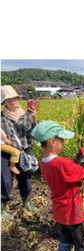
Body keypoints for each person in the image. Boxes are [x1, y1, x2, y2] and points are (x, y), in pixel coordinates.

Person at [30, 121, 84, 251]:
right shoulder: (62, 163)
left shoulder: (44, 163)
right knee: (81, 240)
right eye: (62, 140)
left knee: (65, 236)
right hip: (73, 209)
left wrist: (75, 159)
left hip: (59, 210)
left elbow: (66, 172)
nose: (63, 143)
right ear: (52, 142)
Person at [1, 85, 39, 220]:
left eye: (15, 98)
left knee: (25, 178)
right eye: (9, 99)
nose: (13, 101)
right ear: (4, 102)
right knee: (5, 179)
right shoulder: (1, 118)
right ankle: (2, 208)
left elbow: (36, 134)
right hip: (6, 154)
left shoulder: (27, 115)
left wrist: (34, 118)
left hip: (24, 152)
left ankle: (27, 202)